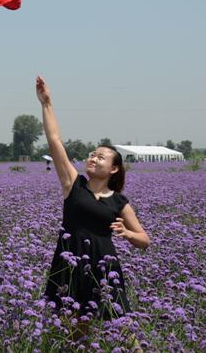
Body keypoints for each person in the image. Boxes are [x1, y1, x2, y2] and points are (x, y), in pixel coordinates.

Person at [36, 75, 150, 326]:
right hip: (68, 263)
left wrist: (127, 234)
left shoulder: (119, 202)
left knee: (120, 330)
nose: (94, 159)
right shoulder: (73, 185)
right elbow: (55, 141)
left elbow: (144, 241)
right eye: (92, 155)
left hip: (103, 268)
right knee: (74, 331)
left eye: (101, 157)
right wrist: (46, 103)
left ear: (114, 169)